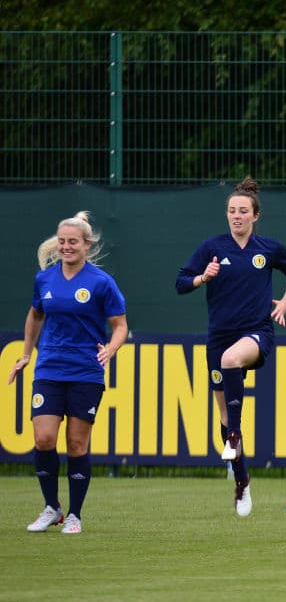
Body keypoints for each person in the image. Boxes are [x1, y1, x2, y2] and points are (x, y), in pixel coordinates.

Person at [176, 176, 286, 517]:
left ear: (255, 216)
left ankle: (234, 436)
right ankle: (243, 481)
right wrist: (203, 277)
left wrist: (285, 303)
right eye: (232, 210)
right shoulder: (212, 248)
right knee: (222, 412)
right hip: (218, 336)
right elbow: (181, 282)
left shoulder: (268, 249)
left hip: (256, 332)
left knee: (233, 361)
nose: (236, 216)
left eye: (243, 211)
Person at [8, 211, 128, 534]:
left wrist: (112, 348)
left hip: (86, 372)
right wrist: (25, 354)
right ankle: (52, 507)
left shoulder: (102, 283)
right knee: (44, 438)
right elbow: (35, 316)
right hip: (49, 368)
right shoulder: (44, 279)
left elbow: (120, 325)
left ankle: (74, 514)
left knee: (76, 444)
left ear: (86, 245)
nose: (66, 247)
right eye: (62, 242)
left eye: (73, 242)